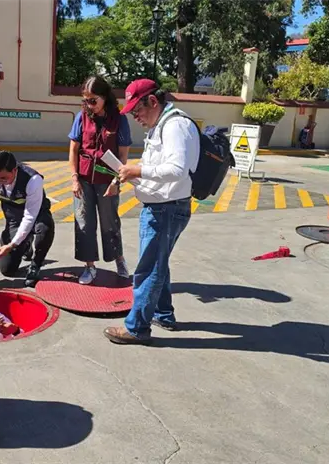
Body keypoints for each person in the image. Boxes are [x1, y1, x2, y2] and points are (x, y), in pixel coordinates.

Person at [103, 79, 200, 345]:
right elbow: (154, 164)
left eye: (137, 110)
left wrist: (137, 171)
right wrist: (123, 176)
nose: (135, 117)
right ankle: (163, 314)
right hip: (162, 207)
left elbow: (177, 169)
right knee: (158, 263)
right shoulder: (161, 125)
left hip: (166, 209)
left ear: (153, 101)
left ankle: (137, 328)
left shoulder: (175, 126)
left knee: (148, 269)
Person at [68, 76, 133, 285]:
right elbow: (73, 150)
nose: (89, 105)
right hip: (84, 179)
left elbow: (123, 155)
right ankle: (89, 266)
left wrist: (116, 181)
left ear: (105, 97)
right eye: (85, 100)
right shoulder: (81, 117)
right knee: (84, 223)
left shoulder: (119, 119)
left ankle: (119, 260)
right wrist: (74, 178)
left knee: (110, 222)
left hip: (108, 181)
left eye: (93, 100)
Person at [0, 151, 55, 287]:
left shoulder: (33, 180)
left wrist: (12, 244)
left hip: (37, 215)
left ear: (14, 170)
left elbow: (29, 216)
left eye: (3, 178)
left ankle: (36, 264)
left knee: (44, 229)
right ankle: (25, 244)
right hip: (14, 218)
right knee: (7, 270)